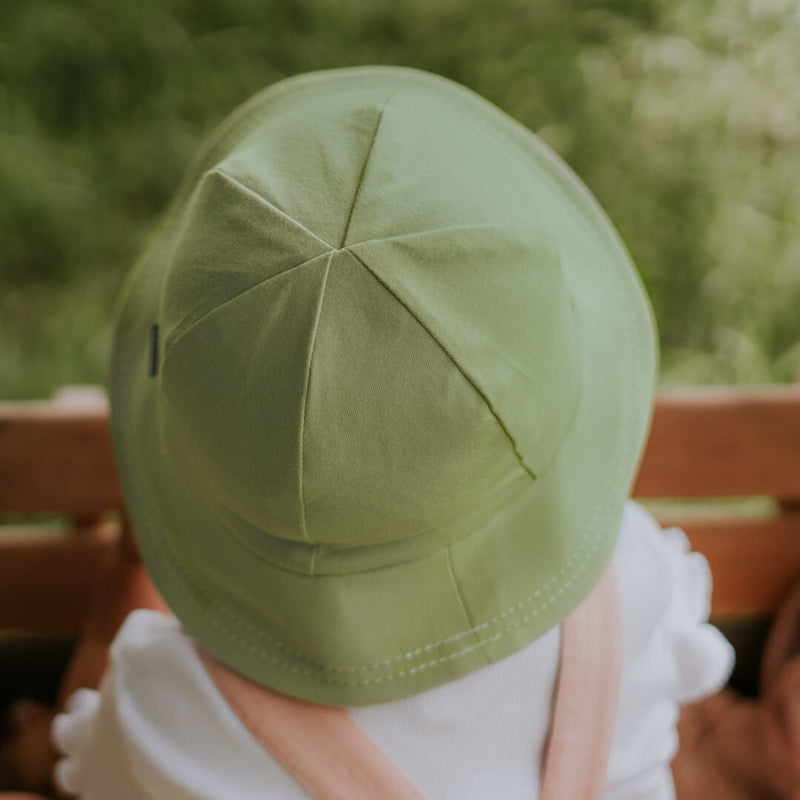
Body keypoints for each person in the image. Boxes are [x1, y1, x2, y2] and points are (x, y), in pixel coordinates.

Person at [49, 66, 733, 799]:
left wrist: (127, 576)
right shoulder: (634, 584)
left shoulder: (171, 705)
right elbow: (694, 678)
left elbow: (79, 773)